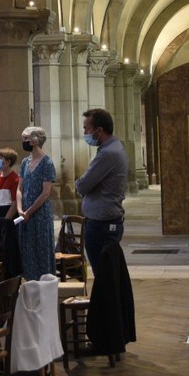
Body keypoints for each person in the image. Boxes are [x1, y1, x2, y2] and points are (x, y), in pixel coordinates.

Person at [75, 107, 128, 270]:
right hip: (104, 221)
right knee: (107, 273)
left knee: (103, 273)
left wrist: (80, 182)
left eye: (86, 128)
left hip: (101, 225)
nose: (85, 132)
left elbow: (82, 185)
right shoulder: (113, 148)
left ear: (99, 130)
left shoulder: (108, 153)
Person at [16, 126, 57, 279]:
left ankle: (45, 285)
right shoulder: (25, 162)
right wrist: (20, 209)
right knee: (27, 251)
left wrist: (29, 211)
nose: (23, 142)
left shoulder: (47, 163)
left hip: (40, 215)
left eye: (25, 139)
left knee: (41, 251)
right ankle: (30, 284)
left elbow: (45, 193)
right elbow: (19, 188)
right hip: (24, 214)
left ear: (34, 141)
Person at [0, 148, 20, 219]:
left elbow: (15, 203)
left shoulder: (15, 179)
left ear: (8, 162)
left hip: (9, 217)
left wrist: (5, 220)